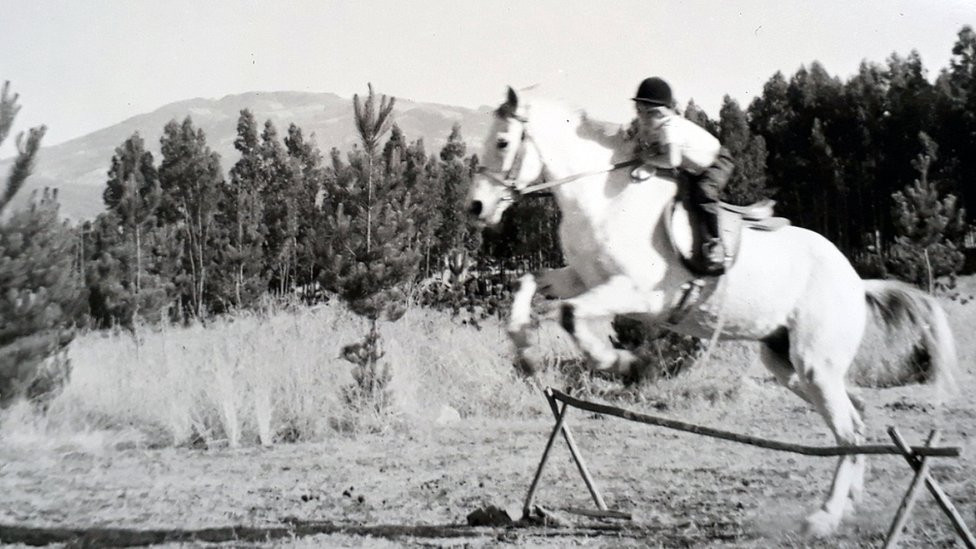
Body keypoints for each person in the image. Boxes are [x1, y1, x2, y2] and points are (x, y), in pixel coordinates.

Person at [631, 76, 735, 275]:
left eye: (647, 113)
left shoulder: (671, 127)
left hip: (716, 163)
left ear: (659, 112)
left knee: (704, 193)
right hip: (694, 168)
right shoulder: (656, 127)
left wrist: (647, 159)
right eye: (639, 112)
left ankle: (716, 243)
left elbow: (672, 160)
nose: (642, 119)